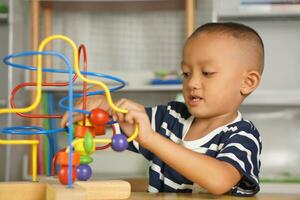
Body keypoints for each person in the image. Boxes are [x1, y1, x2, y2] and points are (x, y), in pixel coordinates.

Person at [61, 22, 263, 196]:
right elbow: (122, 122)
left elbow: (219, 181)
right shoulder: (170, 117)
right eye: (186, 73)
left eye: (207, 73)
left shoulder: (243, 136)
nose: (192, 82)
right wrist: (102, 107)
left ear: (248, 82)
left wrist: (150, 138)